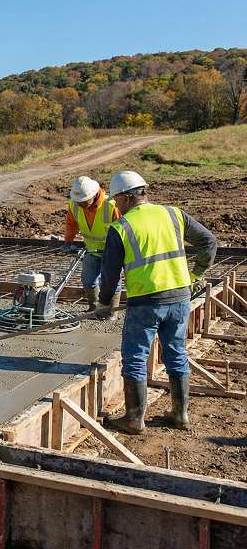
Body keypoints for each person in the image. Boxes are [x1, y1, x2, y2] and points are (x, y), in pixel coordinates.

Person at [96, 171, 216, 434]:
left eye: (117, 201)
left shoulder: (121, 227)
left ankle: (133, 419)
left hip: (145, 303)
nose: (115, 206)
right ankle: (180, 414)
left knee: (136, 358)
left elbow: (109, 274)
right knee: (176, 353)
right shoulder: (173, 214)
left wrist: (104, 303)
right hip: (179, 298)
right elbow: (208, 241)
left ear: (127, 198)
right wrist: (194, 275)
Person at [63, 176, 120, 312]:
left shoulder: (111, 205)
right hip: (90, 250)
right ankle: (94, 308)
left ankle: (112, 311)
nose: (80, 205)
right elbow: (71, 224)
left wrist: (119, 251)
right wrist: (68, 241)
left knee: (111, 282)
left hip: (111, 252)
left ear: (94, 195)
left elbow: (122, 229)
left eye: (83, 201)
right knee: (88, 280)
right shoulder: (74, 205)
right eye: (78, 201)